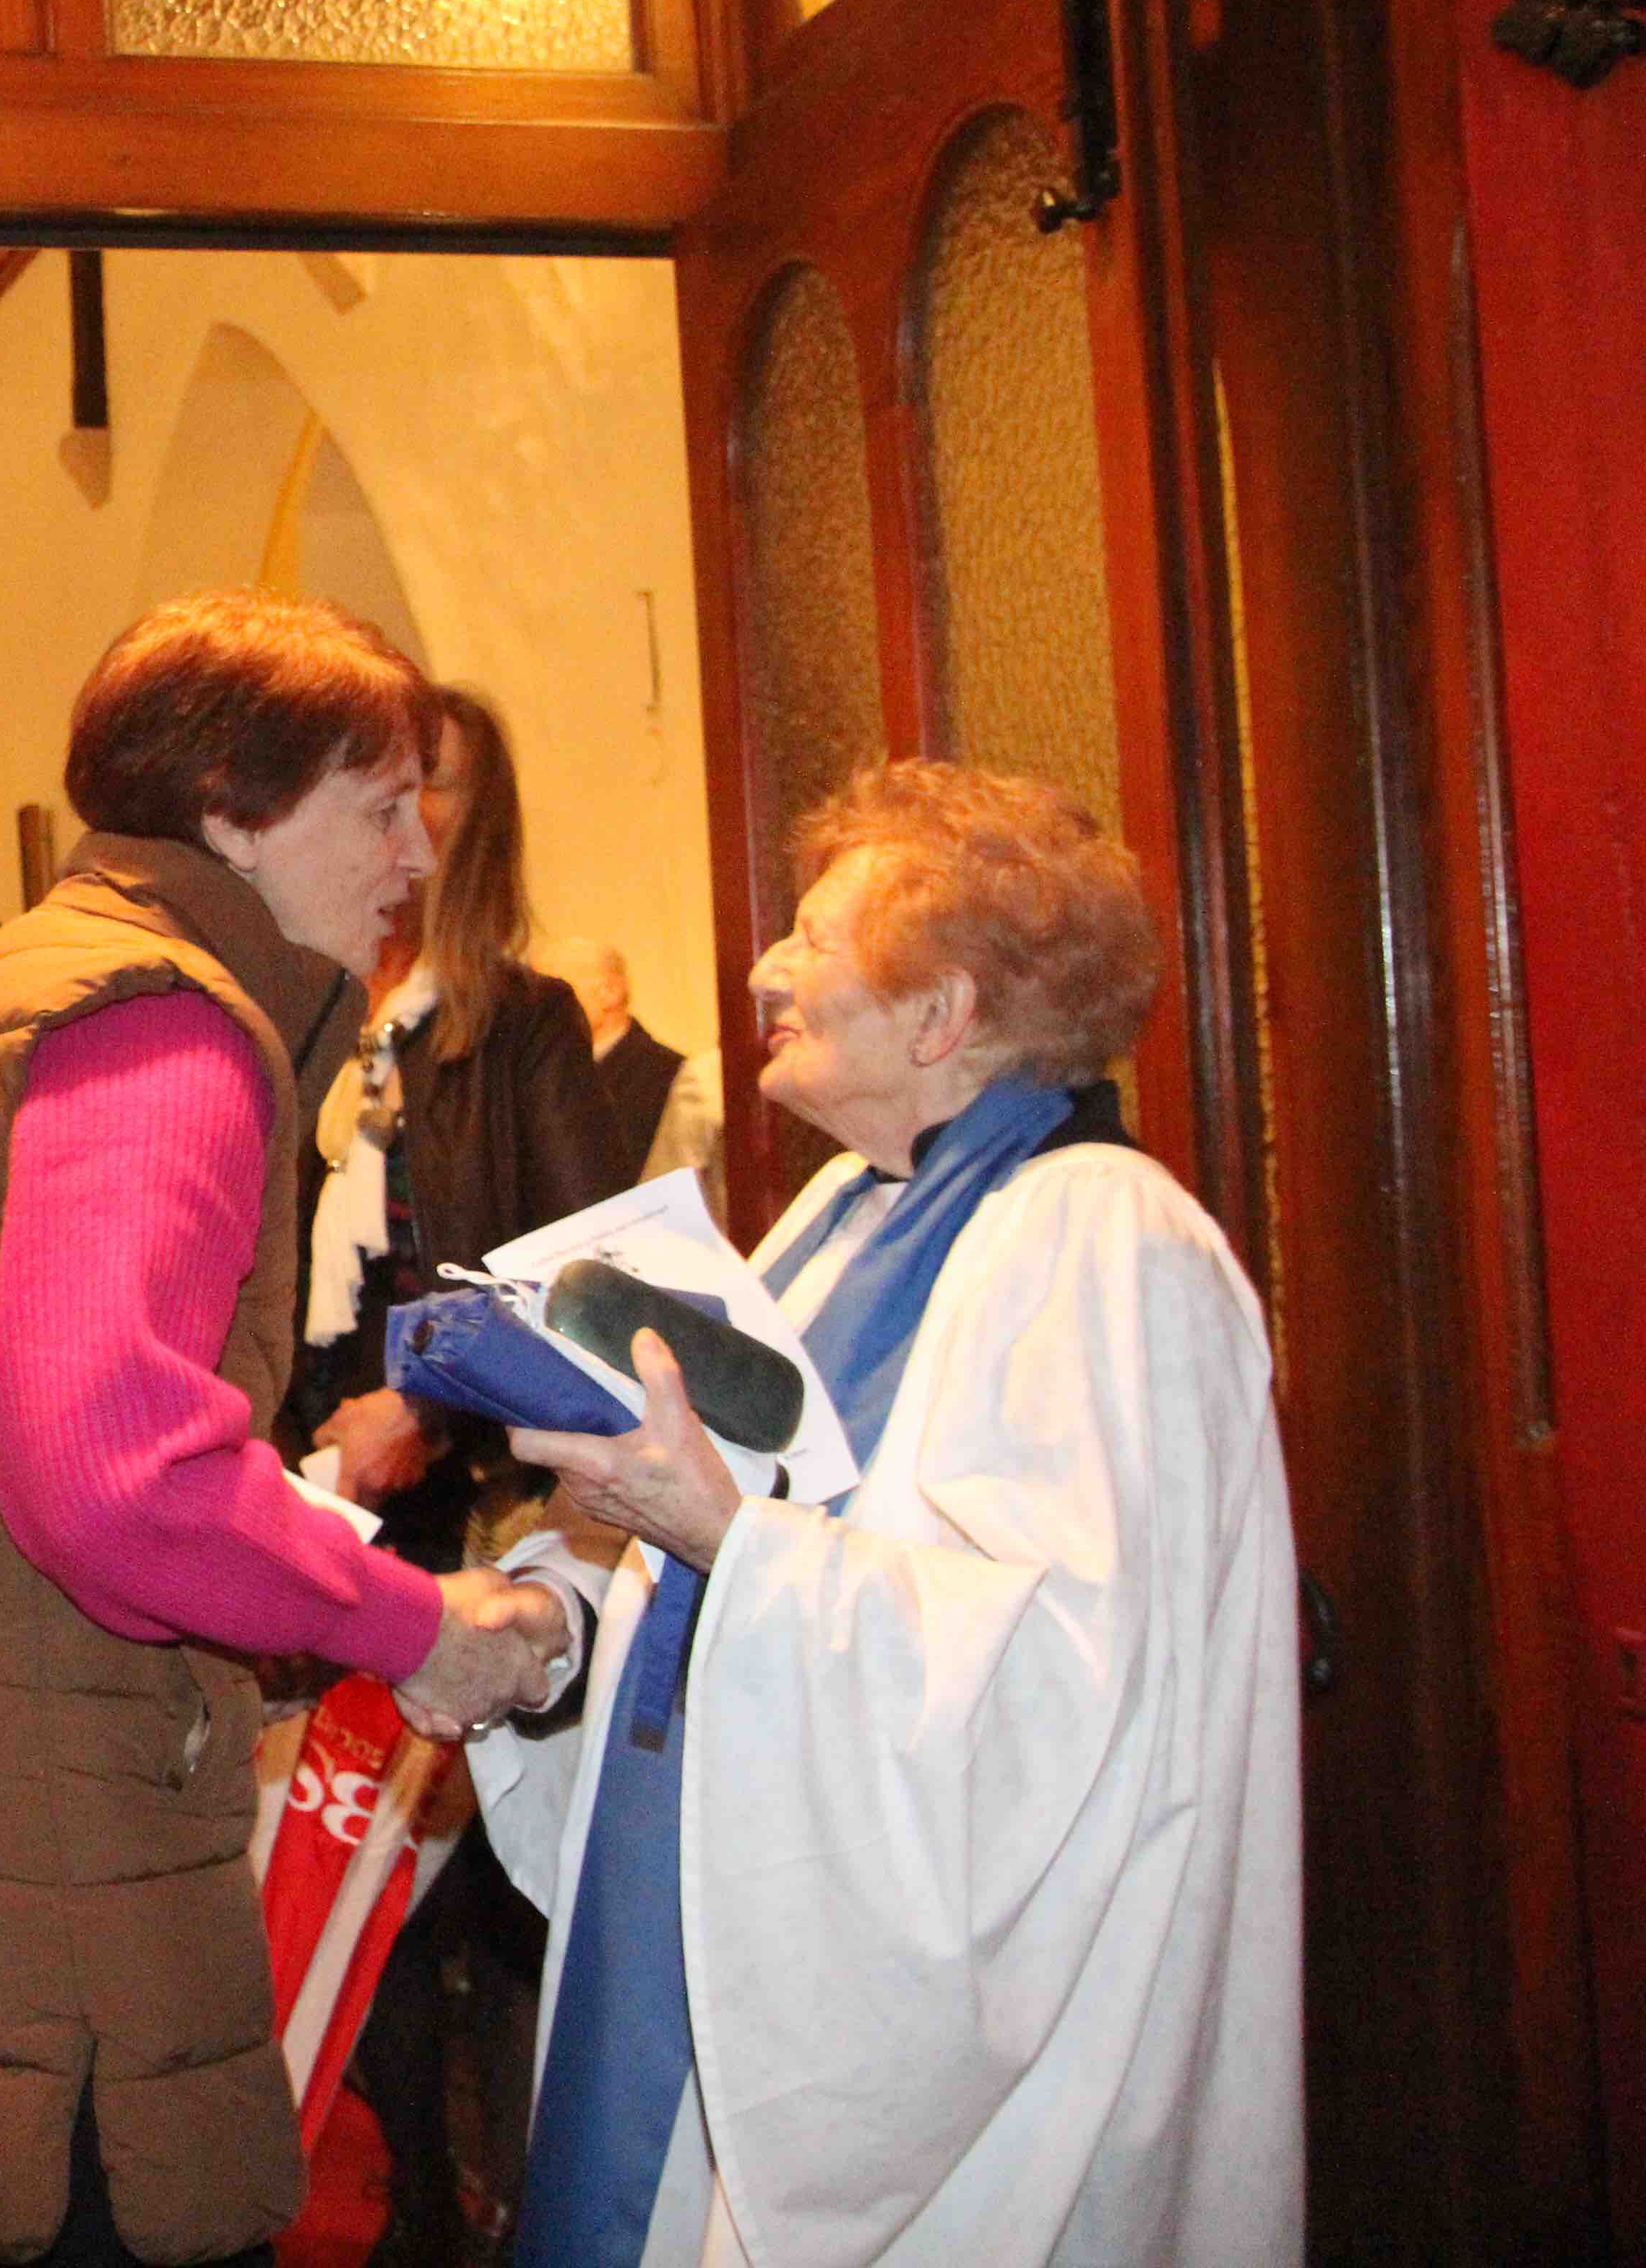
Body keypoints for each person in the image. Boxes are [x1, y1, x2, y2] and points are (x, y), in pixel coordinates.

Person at [0, 593, 585, 2268]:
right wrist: (412, 1622)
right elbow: (112, 1470)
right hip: (49, 1847)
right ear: (233, 806)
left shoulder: (60, 978)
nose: (416, 851)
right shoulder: (162, 1025)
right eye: (379, 802)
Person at [482, 760, 1301, 2267]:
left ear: (943, 1018)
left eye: (811, 940)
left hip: (974, 2061)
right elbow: (739, 1537)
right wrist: (556, 1615)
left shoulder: (1109, 1243)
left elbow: (1064, 1688)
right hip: (736, 1933)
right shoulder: (841, 1210)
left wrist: (732, 1542)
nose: (761, 968)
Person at [278, 686, 634, 2265]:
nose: (403, 824)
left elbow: (574, 1286)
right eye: (379, 791)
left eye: (431, 795)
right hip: (296, 1478)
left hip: (448, 1496)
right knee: (325, 1886)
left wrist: (416, 1404)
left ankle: (480, 2215)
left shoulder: (525, 1022)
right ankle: (379, 2204)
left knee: (473, 1910)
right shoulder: (293, 1004)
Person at [532, 934, 724, 1212]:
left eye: (553, 995)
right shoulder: (547, 1079)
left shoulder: (668, 1077)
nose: (538, 1011)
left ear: (610, 992)